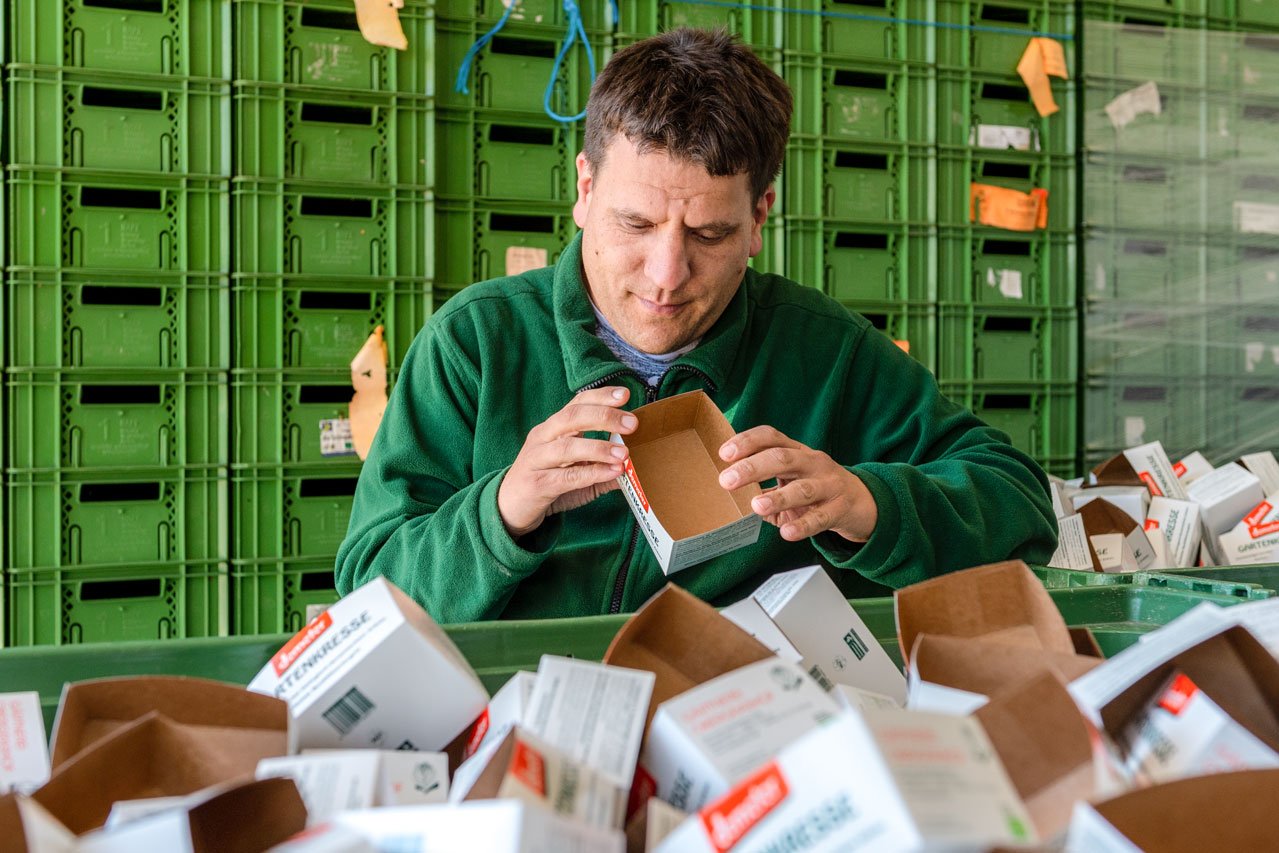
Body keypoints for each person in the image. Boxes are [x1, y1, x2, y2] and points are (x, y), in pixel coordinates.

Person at [335, 28, 1057, 622]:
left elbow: (1020, 505)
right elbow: (366, 590)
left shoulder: (823, 349)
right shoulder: (476, 345)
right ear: (584, 190)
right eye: (635, 223)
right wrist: (502, 510)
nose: (665, 275)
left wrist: (870, 503)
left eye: (709, 234)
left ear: (758, 220)